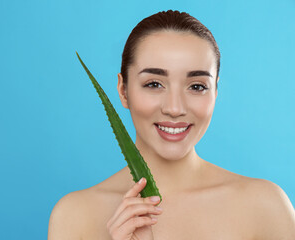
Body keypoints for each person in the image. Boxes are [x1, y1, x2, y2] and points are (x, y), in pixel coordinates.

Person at [48, 10, 295, 239]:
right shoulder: (74, 216)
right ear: (123, 91)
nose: (175, 108)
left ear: (215, 91)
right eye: (154, 84)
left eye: (197, 86)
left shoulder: (266, 207)